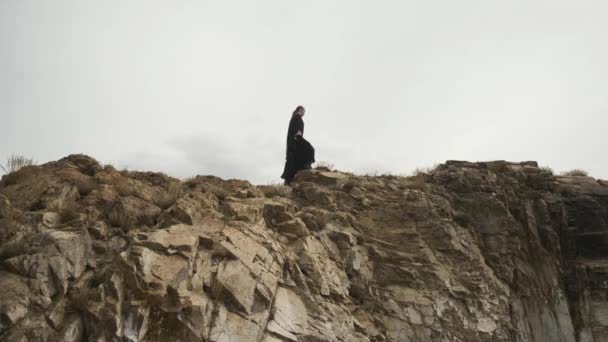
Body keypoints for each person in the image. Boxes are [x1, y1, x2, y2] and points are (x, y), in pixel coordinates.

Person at [281, 106, 315, 185]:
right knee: (309, 148)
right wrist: (297, 135)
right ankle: (306, 165)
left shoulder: (295, 117)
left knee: (295, 158)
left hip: (295, 141)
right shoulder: (296, 117)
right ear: (300, 110)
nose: (304, 113)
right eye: (304, 111)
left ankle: (290, 179)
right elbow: (295, 129)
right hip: (296, 140)